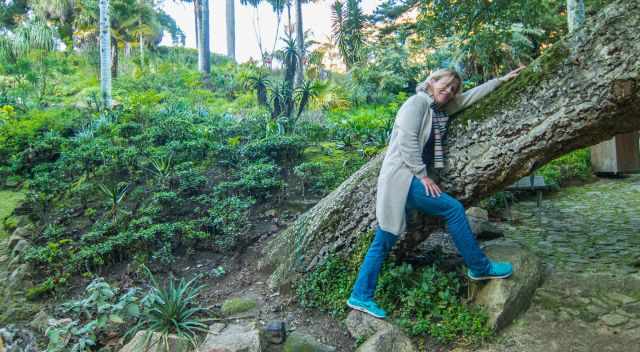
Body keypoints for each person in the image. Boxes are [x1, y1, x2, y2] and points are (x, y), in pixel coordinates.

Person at [347, 66, 526, 319]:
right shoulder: (416, 103)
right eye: (446, 84)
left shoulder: (437, 109)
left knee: (384, 238)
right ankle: (479, 266)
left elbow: (468, 98)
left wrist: (500, 81)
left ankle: (360, 295)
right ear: (432, 80)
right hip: (404, 177)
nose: (450, 90)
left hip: (408, 178)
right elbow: (407, 140)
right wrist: (423, 176)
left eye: (454, 88)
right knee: (452, 209)